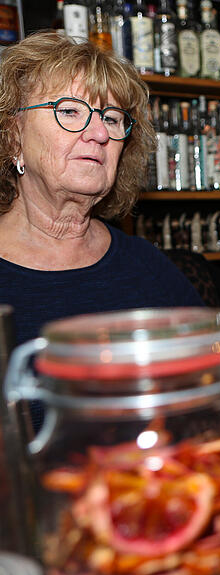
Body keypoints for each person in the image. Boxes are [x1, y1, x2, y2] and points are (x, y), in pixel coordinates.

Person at [0, 32, 202, 347]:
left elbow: (216, 379)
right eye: (69, 111)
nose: (99, 133)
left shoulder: (149, 267)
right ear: (13, 137)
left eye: (111, 118)